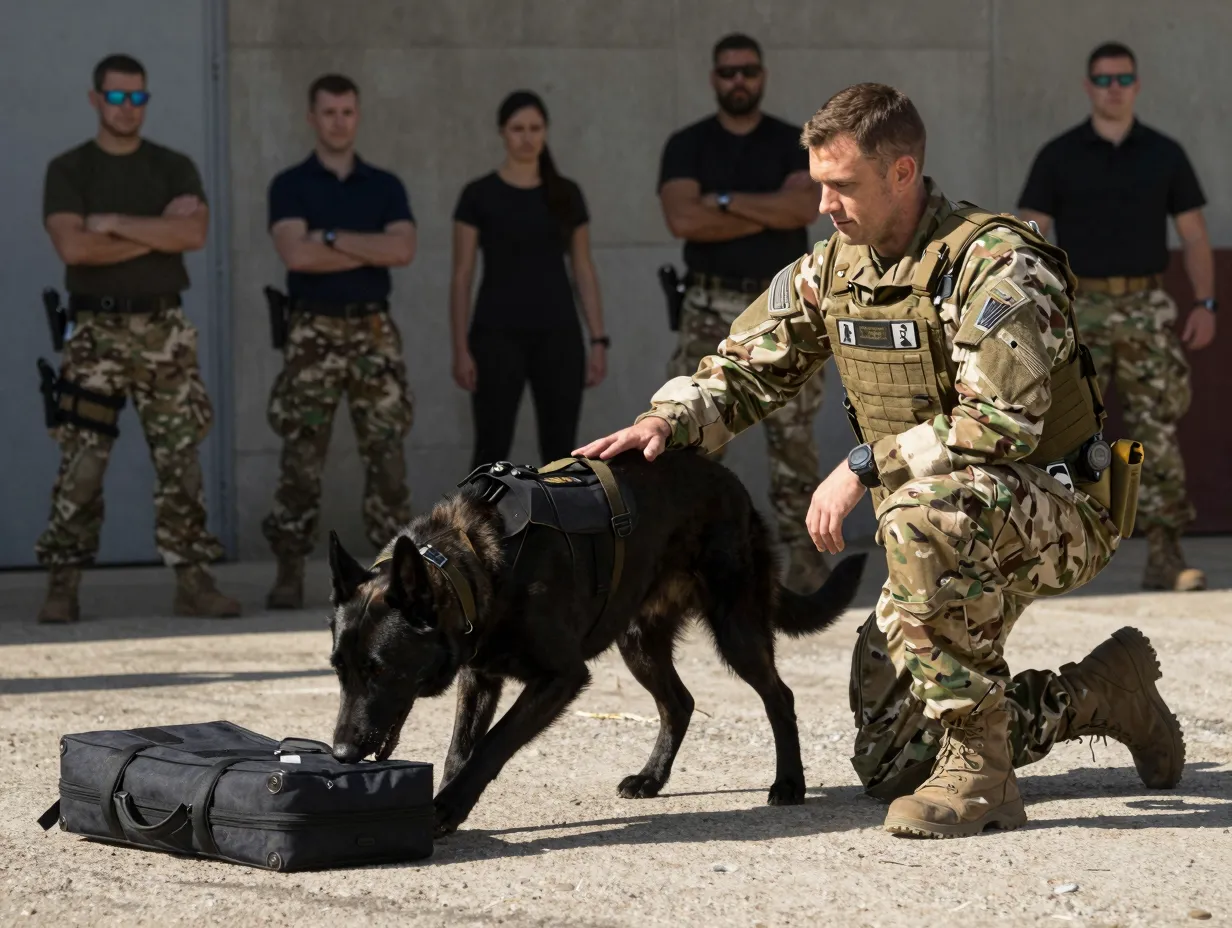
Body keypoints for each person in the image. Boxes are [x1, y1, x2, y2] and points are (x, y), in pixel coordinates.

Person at [577, 83, 1184, 838]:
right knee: (895, 760)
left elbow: (1004, 420)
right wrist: (666, 421)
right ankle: (1102, 694)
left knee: (918, 512)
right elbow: (743, 368)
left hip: (1054, 507)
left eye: (841, 185)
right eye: (817, 184)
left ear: (902, 173)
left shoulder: (996, 263)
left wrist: (865, 465)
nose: (823, 204)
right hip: (945, 520)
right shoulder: (834, 269)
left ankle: (982, 778)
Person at [36, 54, 240, 623]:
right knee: (83, 462)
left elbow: (193, 232)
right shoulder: (70, 169)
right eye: (118, 97)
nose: (129, 108)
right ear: (96, 98)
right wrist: (157, 232)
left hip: (163, 331)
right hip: (94, 334)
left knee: (181, 459)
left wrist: (112, 223)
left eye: (139, 97)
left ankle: (193, 582)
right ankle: (63, 584)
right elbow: (75, 250)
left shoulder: (173, 167)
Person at [1018, 41, 1216, 592]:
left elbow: (1195, 235)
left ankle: (1165, 556)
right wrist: (1031, 309)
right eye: (1103, 80)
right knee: (1067, 431)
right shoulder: (1059, 155)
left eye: (1123, 79)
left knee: (1158, 429)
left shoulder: (1165, 154)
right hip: (1078, 311)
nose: (1113, 88)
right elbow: (1029, 234)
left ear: (1136, 84)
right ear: (1088, 86)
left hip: (1148, 308)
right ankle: (1061, 555)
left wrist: (1205, 303)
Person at [658, 33, 825, 594]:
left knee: (794, 448)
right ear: (713, 77)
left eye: (748, 71)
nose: (739, 81)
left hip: (782, 311)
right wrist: (765, 209)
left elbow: (804, 207)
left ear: (762, 74)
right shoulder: (687, 146)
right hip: (707, 306)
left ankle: (802, 569)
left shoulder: (791, 141)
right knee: (697, 441)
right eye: (728, 71)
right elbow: (683, 220)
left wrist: (723, 202)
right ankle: (692, 570)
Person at [262, 74, 417, 609]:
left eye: (347, 111)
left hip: (373, 330)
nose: (338, 121)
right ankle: (287, 569)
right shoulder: (290, 184)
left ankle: (393, 575)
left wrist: (326, 236)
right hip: (312, 332)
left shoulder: (384, 185)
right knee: (301, 456)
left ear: (358, 114)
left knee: (387, 457)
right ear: (312, 116)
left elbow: (402, 250)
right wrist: (364, 247)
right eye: (328, 112)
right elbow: (296, 256)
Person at [450, 91, 607, 469]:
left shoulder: (566, 194)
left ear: (546, 131)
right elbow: (462, 275)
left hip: (559, 336)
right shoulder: (478, 195)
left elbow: (583, 269)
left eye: (535, 128)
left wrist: (599, 339)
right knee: (491, 448)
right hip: (495, 336)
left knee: (561, 452)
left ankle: (557, 529)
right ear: (502, 132)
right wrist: (460, 347)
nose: (527, 137)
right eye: (518, 128)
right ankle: (477, 529)